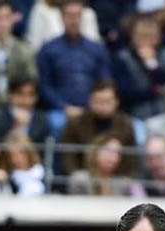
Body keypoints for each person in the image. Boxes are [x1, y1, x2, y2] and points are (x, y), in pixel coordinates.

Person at [35, 0, 111, 136]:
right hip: (59, 110)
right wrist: (64, 107)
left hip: (94, 108)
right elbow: (44, 86)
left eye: (77, 15)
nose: (74, 20)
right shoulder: (48, 50)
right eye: (70, 16)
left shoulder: (97, 49)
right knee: (55, 123)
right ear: (62, 18)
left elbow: (104, 82)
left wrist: (94, 105)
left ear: (82, 18)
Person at [59, 79, 137, 176]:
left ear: (117, 101)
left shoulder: (125, 124)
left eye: (107, 101)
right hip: (85, 175)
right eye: (98, 101)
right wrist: (75, 173)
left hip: (117, 177)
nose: (103, 105)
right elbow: (68, 157)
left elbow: (131, 159)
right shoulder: (76, 123)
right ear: (90, 101)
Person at [112, 14, 165, 120]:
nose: (147, 40)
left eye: (151, 36)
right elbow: (124, 92)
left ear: (159, 37)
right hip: (133, 115)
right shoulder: (122, 58)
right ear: (132, 36)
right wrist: (154, 91)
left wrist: (152, 65)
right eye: (142, 35)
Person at [67, 134, 144, 196]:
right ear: (95, 152)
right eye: (110, 151)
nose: (115, 158)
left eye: (118, 153)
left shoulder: (124, 183)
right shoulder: (80, 179)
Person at [0, 75, 51, 143]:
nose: (26, 100)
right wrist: (18, 126)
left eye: (30, 95)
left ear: (36, 97)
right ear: (10, 94)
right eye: (20, 94)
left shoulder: (42, 119)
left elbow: (44, 150)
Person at [25, 0, 101, 53]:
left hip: (84, 66)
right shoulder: (41, 9)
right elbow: (34, 46)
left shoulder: (88, 13)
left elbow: (95, 47)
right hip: (52, 64)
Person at [2, 130, 47, 196]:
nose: (16, 159)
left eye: (20, 153)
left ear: (28, 152)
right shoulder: (10, 176)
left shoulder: (42, 171)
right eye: (12, 155)